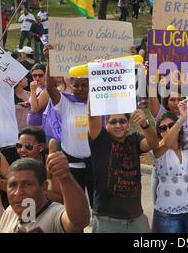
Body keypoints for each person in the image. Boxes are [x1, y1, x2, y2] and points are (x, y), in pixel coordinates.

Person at [88, 104, 158, 233]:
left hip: (136, 219)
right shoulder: (100, 140)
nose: (118, 125)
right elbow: (92, 116)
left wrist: (145, 124)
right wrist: (93, 84)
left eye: (122, 121)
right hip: (107, 220)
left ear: (128, 124)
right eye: (113, 122)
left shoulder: (134, 140)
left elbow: (153, 144)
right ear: (106, 124)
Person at [43, 45, 93, 204]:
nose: (80, 88)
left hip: (95, 165)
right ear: (70, 85)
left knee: (98, 208)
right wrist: (50, 60)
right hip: (72, 166)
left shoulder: (98, 103)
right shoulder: (65, 104)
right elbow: (50, 87)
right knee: (75, 206)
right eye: (76, 85)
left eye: (84, 85)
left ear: (90, 86)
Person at [0, 155, 90, 233]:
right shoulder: (10, 212)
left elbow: (78, 221)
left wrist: (65, 177)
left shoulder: (54, 215)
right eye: (12, 185)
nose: (18, 192)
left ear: (44, 187)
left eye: (27, 184)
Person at [152, 104, 188, 233]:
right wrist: (181, 119)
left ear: (179, 129)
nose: (168, 129)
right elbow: (166, 143)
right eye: (163, 128)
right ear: (159, 131)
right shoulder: (157, 149)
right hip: (168, 214)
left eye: (171, 126)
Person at [16, 128, 63, 203]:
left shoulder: (52, 164)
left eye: (28, 146)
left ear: (41, 147)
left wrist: (37, 191)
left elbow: (60, 199)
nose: (22, 150)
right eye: (19, 146)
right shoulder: (17, 167)